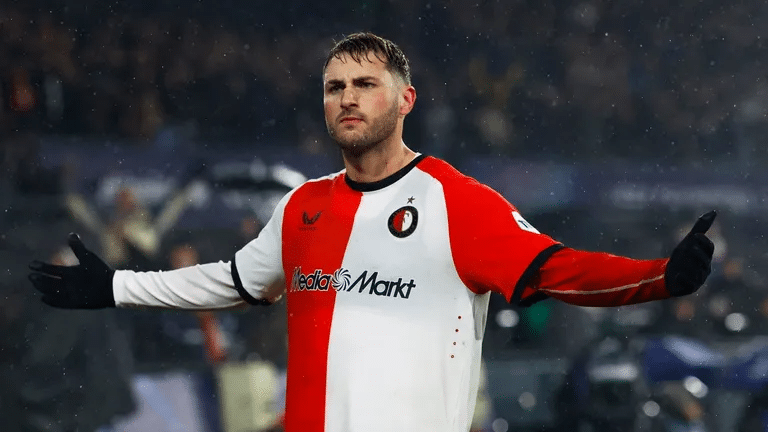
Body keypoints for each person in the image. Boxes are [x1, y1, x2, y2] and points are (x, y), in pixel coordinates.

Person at [28, 32, 717, 432]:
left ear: (405, 99)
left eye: (365, 84)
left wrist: (662, 276)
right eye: (335, 87)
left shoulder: (458, 203)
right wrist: (117, 287)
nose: (348, 98)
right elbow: (233, 280)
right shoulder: (302, 207)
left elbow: (558, 268)